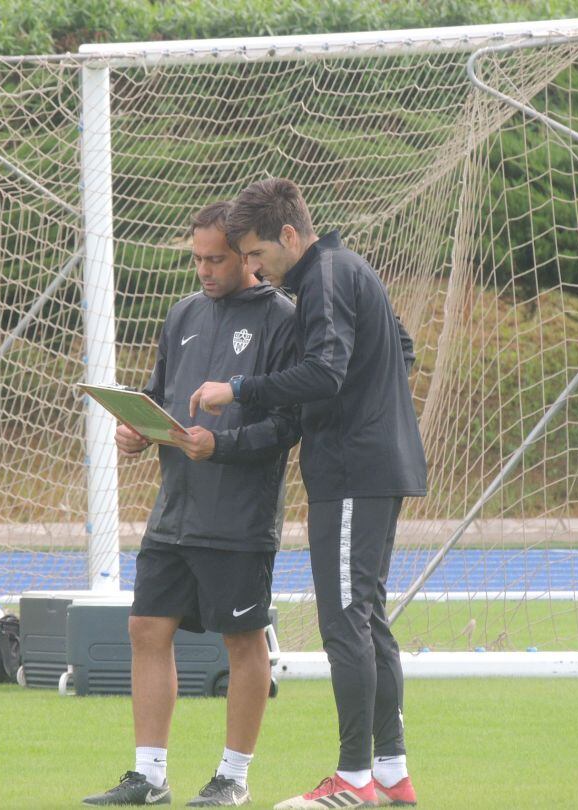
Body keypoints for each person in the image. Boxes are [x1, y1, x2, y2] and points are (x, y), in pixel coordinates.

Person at [190, 179, 427, 809]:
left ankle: (352, 784)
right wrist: (370, 405)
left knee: (346, 622)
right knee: (368, 619)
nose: (253, 267)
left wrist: (238, 388)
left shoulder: (324, 276)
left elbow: (326, 372)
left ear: (289, 236)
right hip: (373, 467)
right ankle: (391, 776)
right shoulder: (346, 268)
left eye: (256, 254)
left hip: (353, 475)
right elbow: (399, 348)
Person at [83, 202, 300, 807]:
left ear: (247, 256)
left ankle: (233, 777)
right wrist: (135, 430)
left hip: (239, 514)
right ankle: (149, 776)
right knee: (146, 628)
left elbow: (289, 425)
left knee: (243, 639)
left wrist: (221, 445)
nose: (203, 270)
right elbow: (160, 397)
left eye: (216, 259)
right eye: (197, 258)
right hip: (174, 509)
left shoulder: (282, 318)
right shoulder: (182, 312)